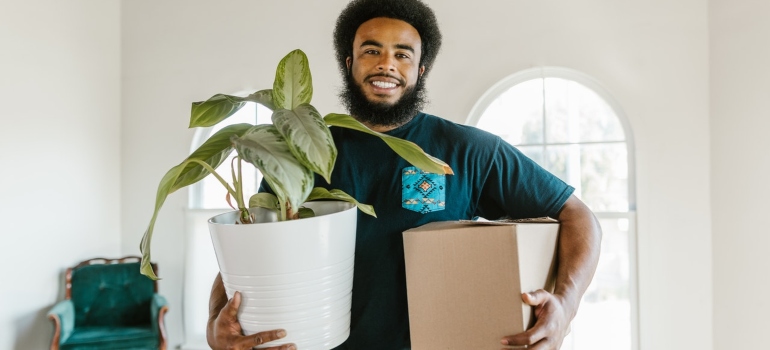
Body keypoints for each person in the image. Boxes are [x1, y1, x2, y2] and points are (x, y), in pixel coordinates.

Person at [207, 0, 602, 349]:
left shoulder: (468, 150)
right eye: (371, 51)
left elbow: (578, 216)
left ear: (421, 68)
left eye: (403, 54)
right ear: (349, 63)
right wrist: (215, 325)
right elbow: (249, 247)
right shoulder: (300, 152)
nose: (386, 64)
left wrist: (565, 307)